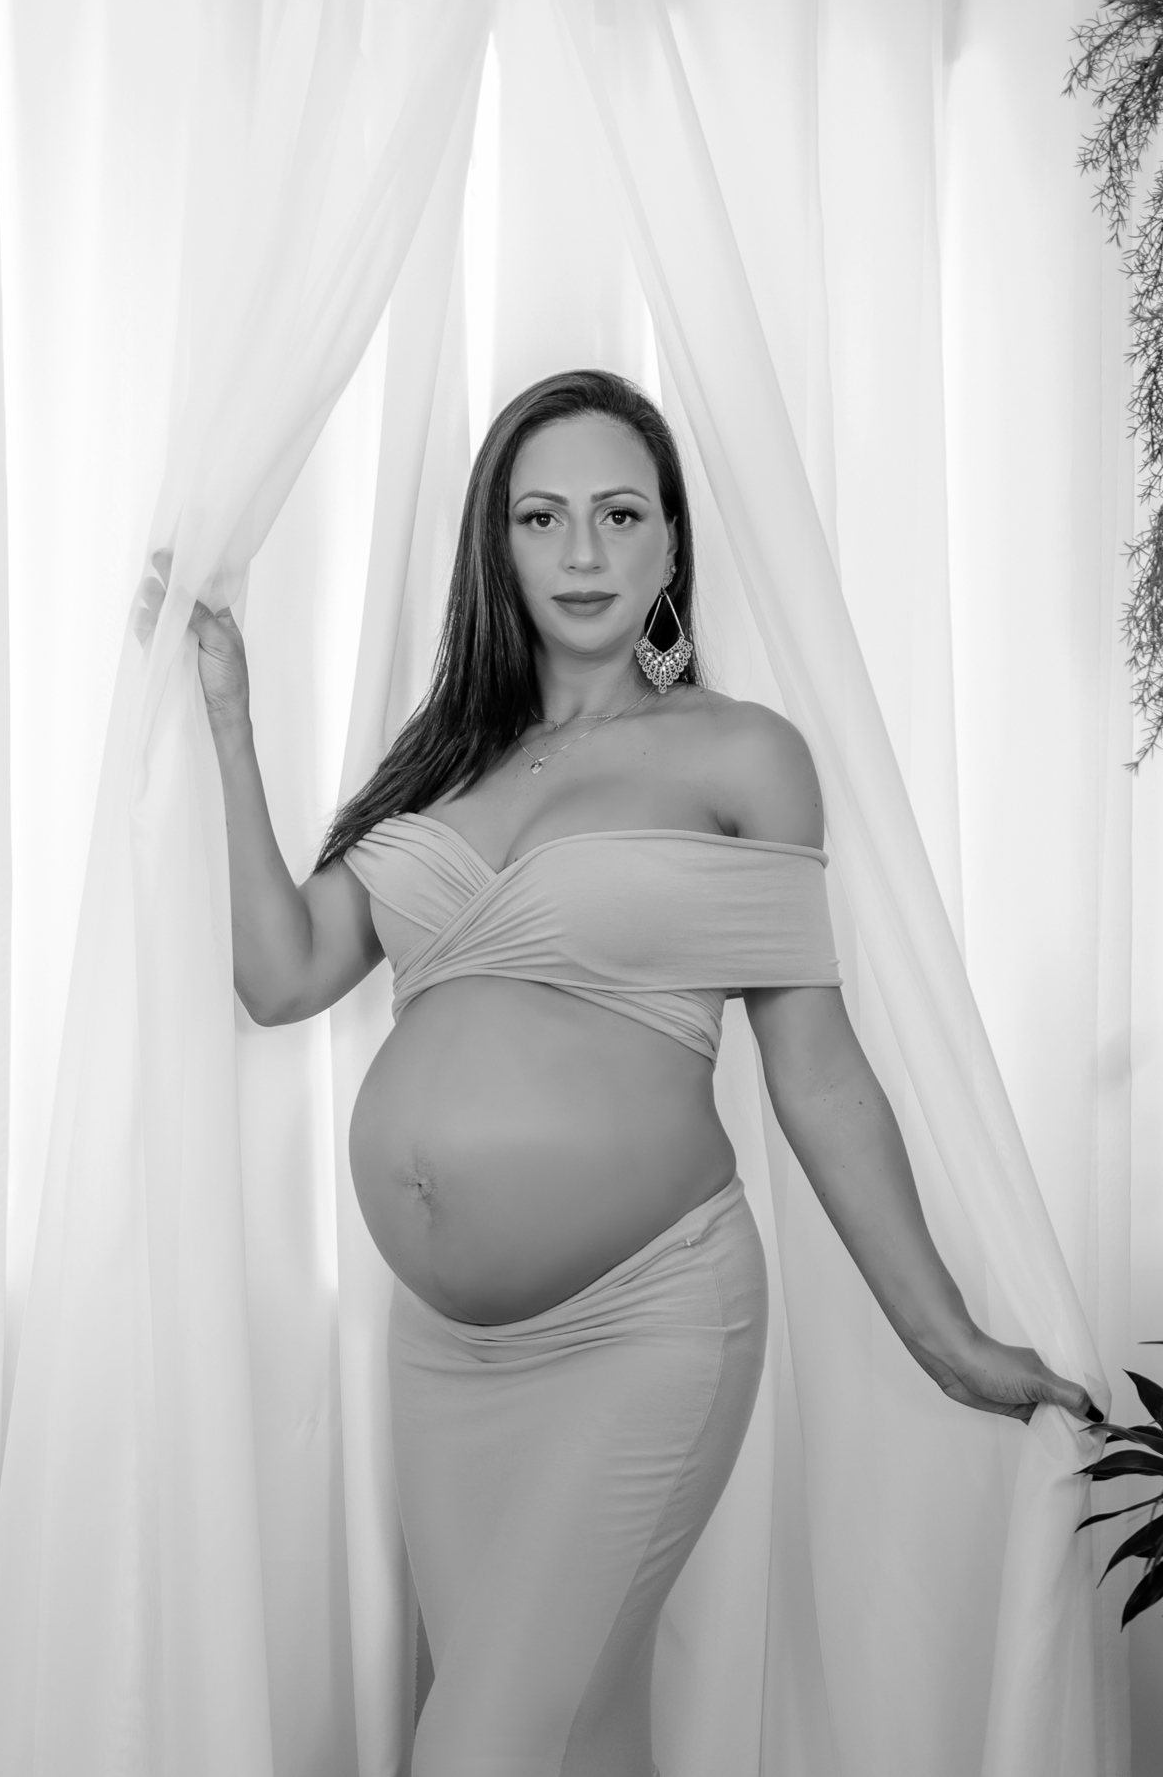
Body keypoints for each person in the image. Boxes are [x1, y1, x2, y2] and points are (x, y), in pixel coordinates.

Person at [192, 369, 1102, 1777]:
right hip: (443, 1353)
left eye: (620, 514)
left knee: (480, 1748)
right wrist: (230, 723)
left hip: (648, 1320)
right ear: (497, 545)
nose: (583, 551)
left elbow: (819, 1074)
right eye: (541, 516)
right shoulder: (440, 766)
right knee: (578, 1738)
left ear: (674, 539)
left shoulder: (740, 755)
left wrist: (946, 1335)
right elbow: (282, 974)